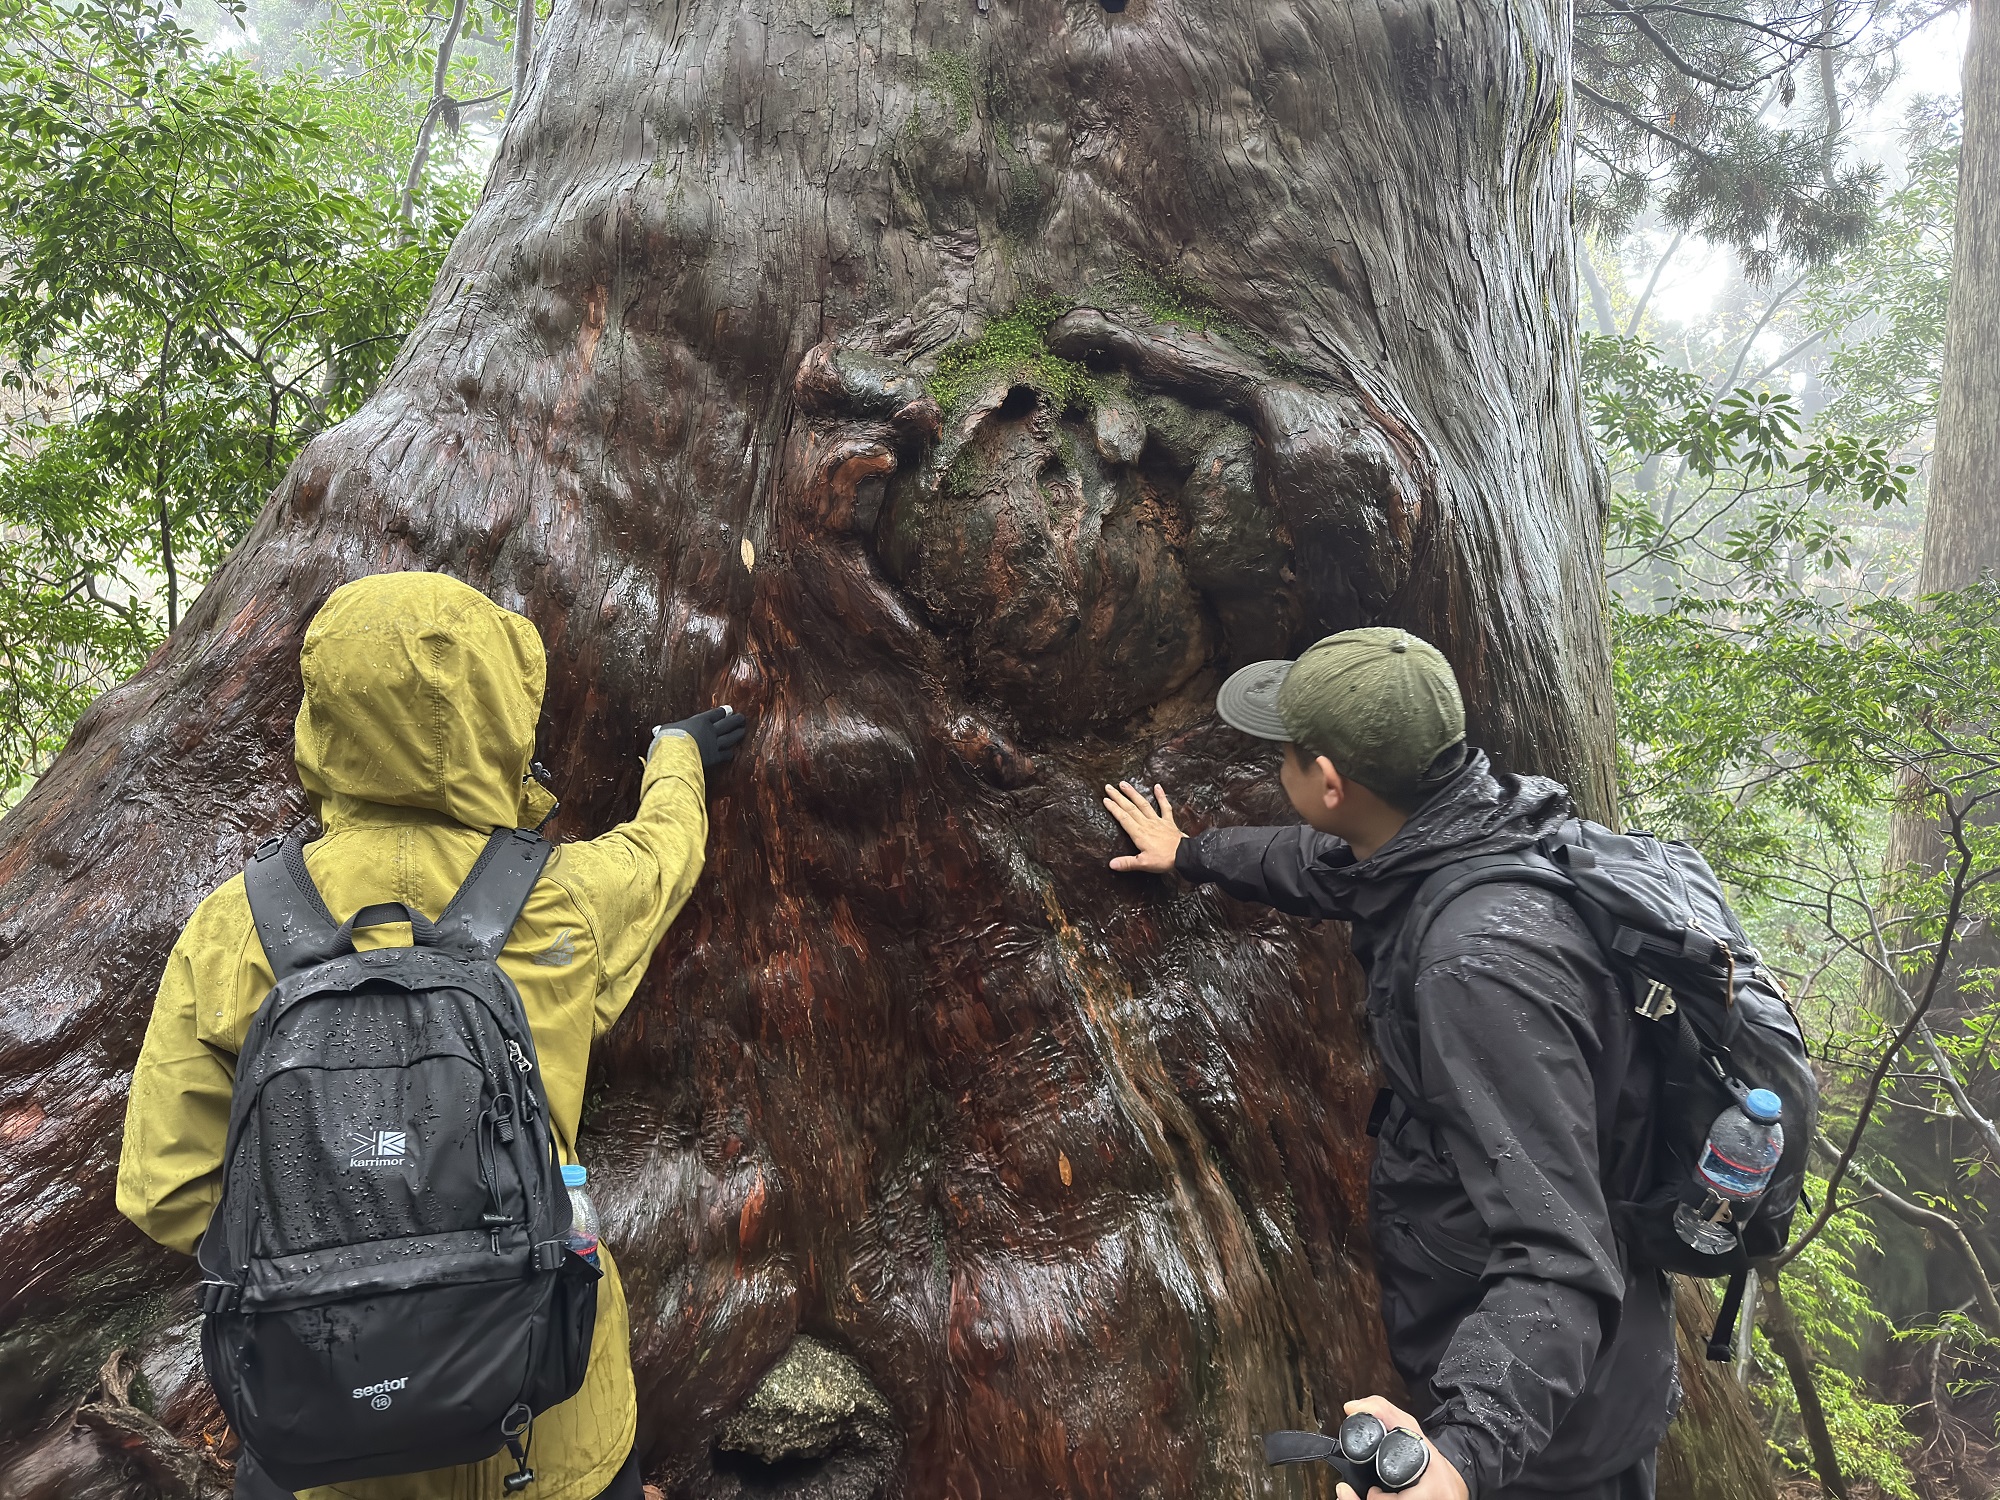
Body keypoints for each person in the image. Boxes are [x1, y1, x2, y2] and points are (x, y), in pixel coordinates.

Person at [117, 571, 747, 1500]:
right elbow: (664, 853)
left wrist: (334, 1250)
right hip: (546, 1430)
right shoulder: (563, 901)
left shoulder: (232, 928)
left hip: (322, 1438)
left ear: (327, 715)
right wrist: (678, 753)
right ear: (501, 711)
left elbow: (164, 1189)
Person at [1102, 628, 1676, 1500]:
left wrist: (1460, 1460)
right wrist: (1192, 852)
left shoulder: (1476, 969)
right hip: (1538, 1369)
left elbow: (1561, 1255)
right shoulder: (1472, 825)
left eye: (1285, 756)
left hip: (1550, 1438)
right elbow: (1335, 866)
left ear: (1329, 784)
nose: (1279, 770)